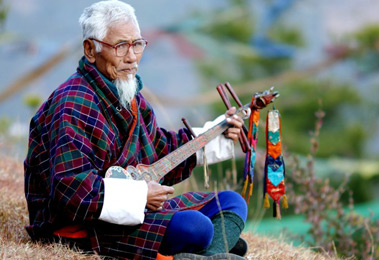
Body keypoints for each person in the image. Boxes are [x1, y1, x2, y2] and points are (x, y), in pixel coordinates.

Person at [24, 1, 249, 259]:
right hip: (80, 227)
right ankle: (210, 250)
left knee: (231, 203)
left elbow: (161, 151)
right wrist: (140, 196)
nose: (131, 57)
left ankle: (207, 254)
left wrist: (217, 131)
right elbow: (71, 190)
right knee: (195, 228)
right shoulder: (72, 104)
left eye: (137, 44)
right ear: (90, 49)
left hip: (130, 214)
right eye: (120, 46)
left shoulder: (132, 100)